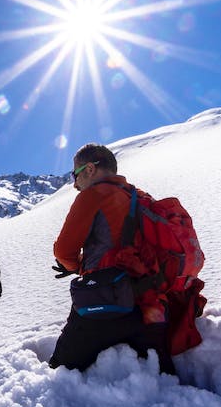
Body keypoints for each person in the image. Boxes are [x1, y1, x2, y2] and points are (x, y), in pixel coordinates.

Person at [49, 143, 176, 376]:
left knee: (61, 372)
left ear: (89, 169)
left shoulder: (93, 195)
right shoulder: (138, 196)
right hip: (150, 306)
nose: (75, 185)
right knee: (163, 378)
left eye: (74, 175)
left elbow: (64, 251)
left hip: (105, 300)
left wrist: (77, 267)